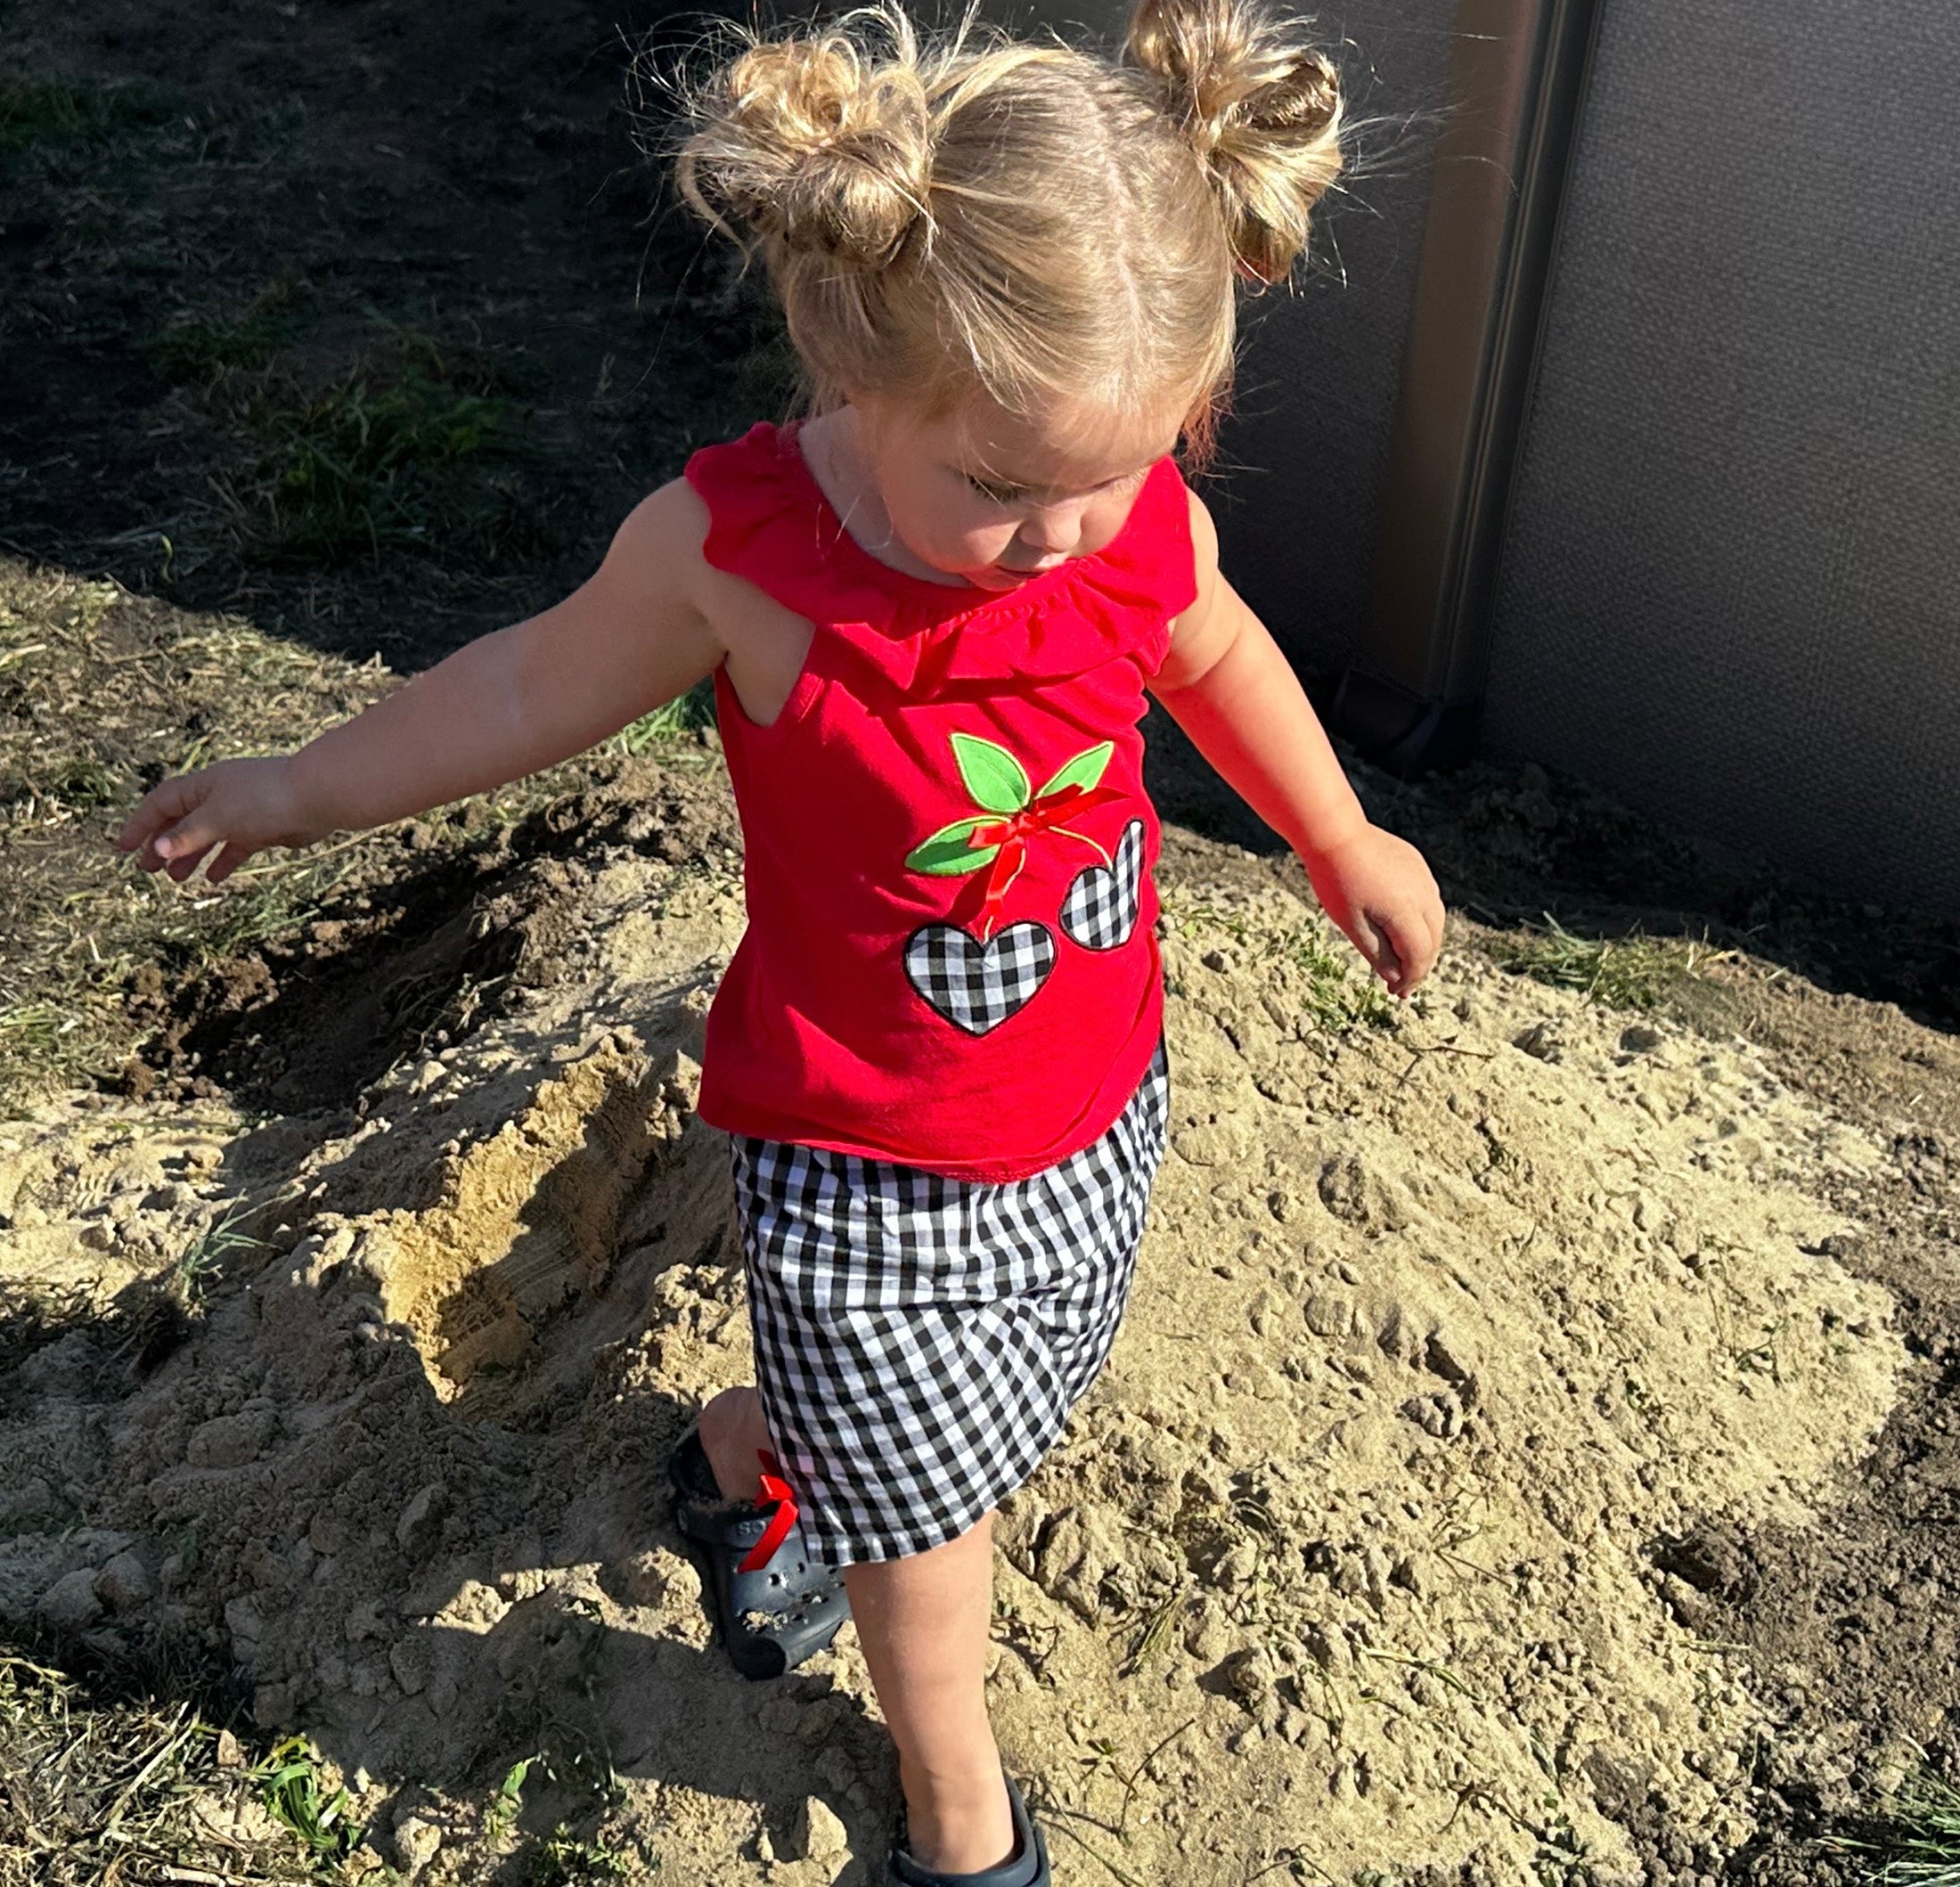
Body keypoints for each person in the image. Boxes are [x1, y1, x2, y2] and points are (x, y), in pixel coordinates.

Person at [116, 0, 1444, 1878]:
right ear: (846, 361)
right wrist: (292, 789)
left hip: (1090, 1100)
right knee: (928, 1532)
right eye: (996, 488)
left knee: (978, 1424)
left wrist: (1333, 827)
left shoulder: (1115, 516)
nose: (1060, 536)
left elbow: (1209, 642)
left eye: (1120, 469)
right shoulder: (736, 555)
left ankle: (749, 1458)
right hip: (864, 1156)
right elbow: (513, 693)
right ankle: (951, 1804)